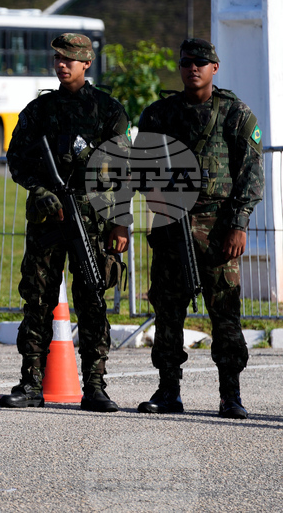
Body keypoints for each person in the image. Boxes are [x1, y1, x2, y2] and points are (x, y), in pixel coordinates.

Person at [1, 33, 130, 412]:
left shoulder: (108, 111)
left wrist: (121, 222)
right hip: (47, 218)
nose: (62, 64)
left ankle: (94, 385)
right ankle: (31, 383)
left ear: (87, 62)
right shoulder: (39, 110)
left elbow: (124, 171)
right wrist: (38, 188)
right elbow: (18, 159)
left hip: (93, 219)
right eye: (57, 57)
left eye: (70, 59)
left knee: (92, 297)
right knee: (38, 299)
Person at [136, 38, 263, 419]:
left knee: (224, 309)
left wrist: (238, 224)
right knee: (168, 309)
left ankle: (230, 395)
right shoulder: (159, 114)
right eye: (187, 62)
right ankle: (168, 390)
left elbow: (251, 175)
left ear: (215, 69)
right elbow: (142, 167)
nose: (193, 68)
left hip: (218, 226)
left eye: (202, 63)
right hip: (171, 225)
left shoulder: (236, 115)